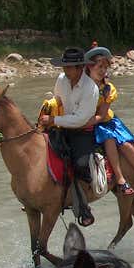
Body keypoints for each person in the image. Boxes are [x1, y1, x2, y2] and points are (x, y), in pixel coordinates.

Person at [83, 45, 134, 201]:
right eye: (99, 66)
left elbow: (102, 114)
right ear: (89, 67)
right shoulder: (81, 87)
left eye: (105, 67)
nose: (103, 70)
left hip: (104, 121)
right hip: (88, 121)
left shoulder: (107, 89)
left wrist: (87, 122)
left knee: (120, 143)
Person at [39, 47, 99, 227]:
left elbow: (81, 119)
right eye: (64, 67)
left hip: (81, 131)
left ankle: (83, 206)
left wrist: (53, 119)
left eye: (69, 67)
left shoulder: (91, 89)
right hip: (60, 125)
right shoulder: (61, 80)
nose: (65, 71)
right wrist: (48, 111)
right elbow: (58, 99)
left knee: (80, 164)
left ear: (80, 68)